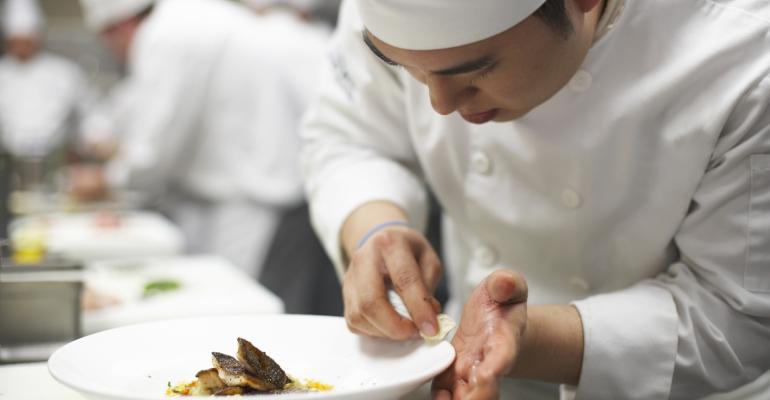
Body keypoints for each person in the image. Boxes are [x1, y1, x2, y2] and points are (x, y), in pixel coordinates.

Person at [300, 0, 770, 399]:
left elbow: (736, 314)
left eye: (479, 68)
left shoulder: (743, 60)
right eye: (405, 68)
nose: (440, 106)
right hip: (470, 370)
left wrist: (529, 337)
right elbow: (350, 135)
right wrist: (375, 227)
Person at [75, 0, 329, 277]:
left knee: (237, 302)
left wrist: (109, 180)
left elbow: (156, 147)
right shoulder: (187, 18)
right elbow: (140, 106)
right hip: (237, 190)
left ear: (120, 27)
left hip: (250, 195)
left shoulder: (167, 34)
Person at [0, 0, 93, 168]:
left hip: (56, 162)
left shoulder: (64, 72)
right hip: (7, 165)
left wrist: (84, 144)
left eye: (26, 42)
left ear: (37, 38)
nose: (21, 48)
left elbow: (89, 114)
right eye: (15, 42)